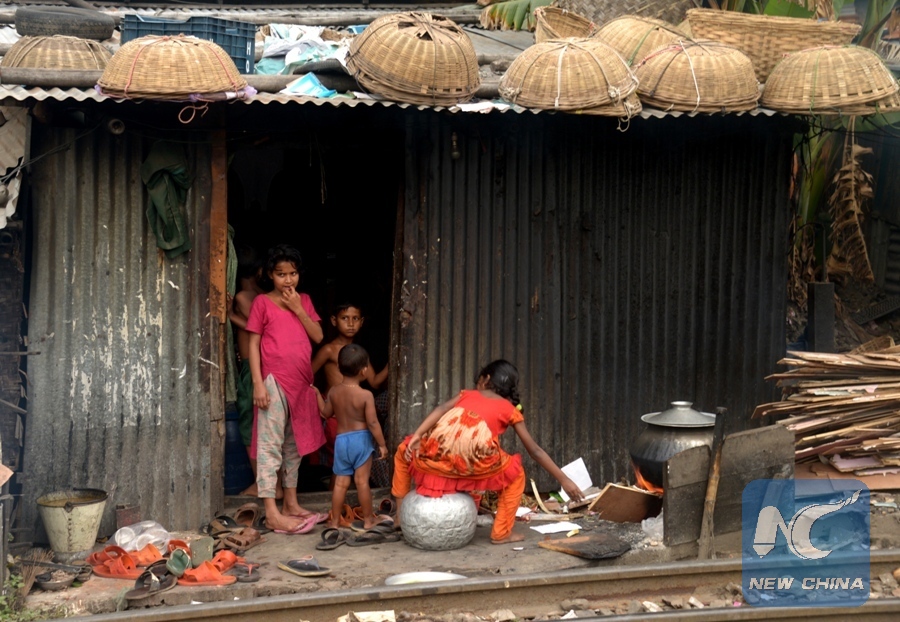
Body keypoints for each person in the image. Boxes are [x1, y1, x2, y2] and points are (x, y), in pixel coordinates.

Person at [392, 360, 584, 544]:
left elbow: (441, 408)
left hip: (435, 458)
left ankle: (400, 517)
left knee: (402, 451)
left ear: (486, 379)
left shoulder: (466, 394)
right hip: (474, 466)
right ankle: (501, 533)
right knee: (516, 474)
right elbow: (535, 451)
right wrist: (564, 480)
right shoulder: (510, 409)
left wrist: (418, 434)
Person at [246, 244, 326, 533]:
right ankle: (272, 512)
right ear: (270, 274)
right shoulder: (262, 303)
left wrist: (298, 309)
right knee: (270, 446)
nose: (288, 280)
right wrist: (258, 384)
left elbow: (318, 335)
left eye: (293, 273)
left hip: (301, 383)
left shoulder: (304, 301)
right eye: (281, 274)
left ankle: (291, 503)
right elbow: (253, 344)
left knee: (294, 447)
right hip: (274, 382)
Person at [315, 344, 390, 531]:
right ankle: (368, 520)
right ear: (364, 371)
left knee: (340, 484)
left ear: (338, 367)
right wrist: (382, 444)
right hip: (361, 441)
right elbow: (373, 423)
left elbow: (325, 413)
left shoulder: (333, 392)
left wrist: (317, 394)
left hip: (341, 441)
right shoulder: (365, 395)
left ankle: (334, 521)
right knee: (362, 482)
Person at [311, 303, 388, 475]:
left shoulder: (359, 353)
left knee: (348, 463)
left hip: (354, 416)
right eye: (345, 318)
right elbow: (308, 375)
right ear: (334, 321)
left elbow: (375, 382)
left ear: (362, 322)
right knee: (337, 463)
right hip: (333, 413)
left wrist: (392, 363)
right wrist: (315, 395)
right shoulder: (329, 350)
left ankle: (344, 489)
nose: (351, 324)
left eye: (355, 319)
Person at [227, 245, 277, 498]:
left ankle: (261, 483)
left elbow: (256, 328)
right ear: (260, 271)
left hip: (253, 368)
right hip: (266, 366)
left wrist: (229, 315)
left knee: (249, 426)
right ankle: (274, 484)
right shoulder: (267, 295)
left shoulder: (244, 297)